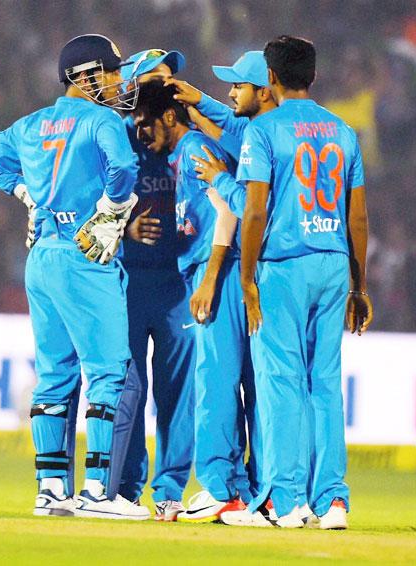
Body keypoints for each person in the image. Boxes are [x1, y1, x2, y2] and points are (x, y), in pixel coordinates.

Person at [0, 34, 150, 521]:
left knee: (53, 376)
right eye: (111, 73)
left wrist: (26, 194)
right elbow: (124, 168)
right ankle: (97, 493)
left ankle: (51, 490)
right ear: (86, 75)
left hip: (42, 258)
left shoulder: (31, 124)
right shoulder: (102, 120)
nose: (118, 82)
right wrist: (113, 210)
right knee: (109, 370)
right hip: (85, 255)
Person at [236, 36, 373, 529]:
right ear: (312, 77)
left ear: (270, 78)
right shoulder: (343, 131)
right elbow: (357, 218)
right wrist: (359, 285)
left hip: (284, 264)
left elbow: (254, 212)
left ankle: (285, 500)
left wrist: (248, 278)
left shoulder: (265, 131)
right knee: (325, 384)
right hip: (334, 263)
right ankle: (333, 500)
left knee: (280, 383)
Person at [133, 80, 249, 525]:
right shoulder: (182, 156)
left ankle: (221, 488)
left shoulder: (196, 147)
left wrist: (210, 278)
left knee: (214, 381)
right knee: (221, 380)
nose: (142, 134)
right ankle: (236, 489)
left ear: (168, 116)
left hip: (212, 270)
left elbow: (227, 211)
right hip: (205, 269)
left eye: (146, 124)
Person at [116, 49, 195, 522]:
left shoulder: (187, 138)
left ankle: (169, 489)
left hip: (176, 281)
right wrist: (122, 228)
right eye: (155, 77)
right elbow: (82, 201)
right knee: (127, 388)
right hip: (125, 279)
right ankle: (124, 487)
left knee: (177, 393)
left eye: (170, 76)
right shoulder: (117, 138)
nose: (168, 83)